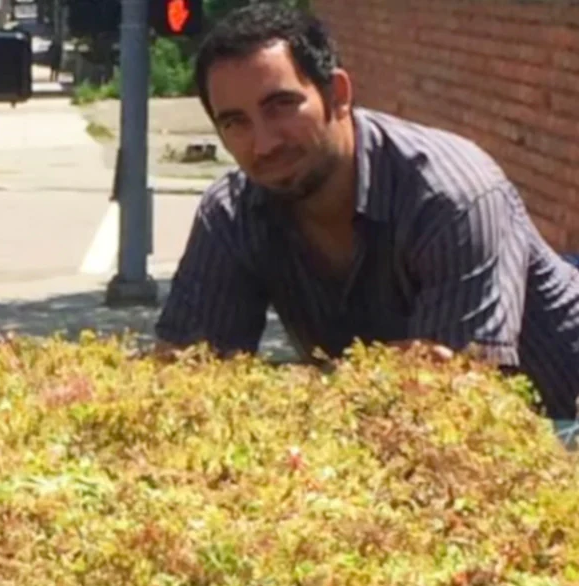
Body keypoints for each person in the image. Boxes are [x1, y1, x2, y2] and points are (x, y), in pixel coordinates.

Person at [155, 3, 579, 419]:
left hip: (561, 413)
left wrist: (287, 387)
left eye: (280, 106)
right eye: (235, 122)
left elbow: (451, 394)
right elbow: (184, 380)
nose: (264, 144)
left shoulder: (450, 196)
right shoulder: (232, 215)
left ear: (337, 95)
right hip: (441, 448)